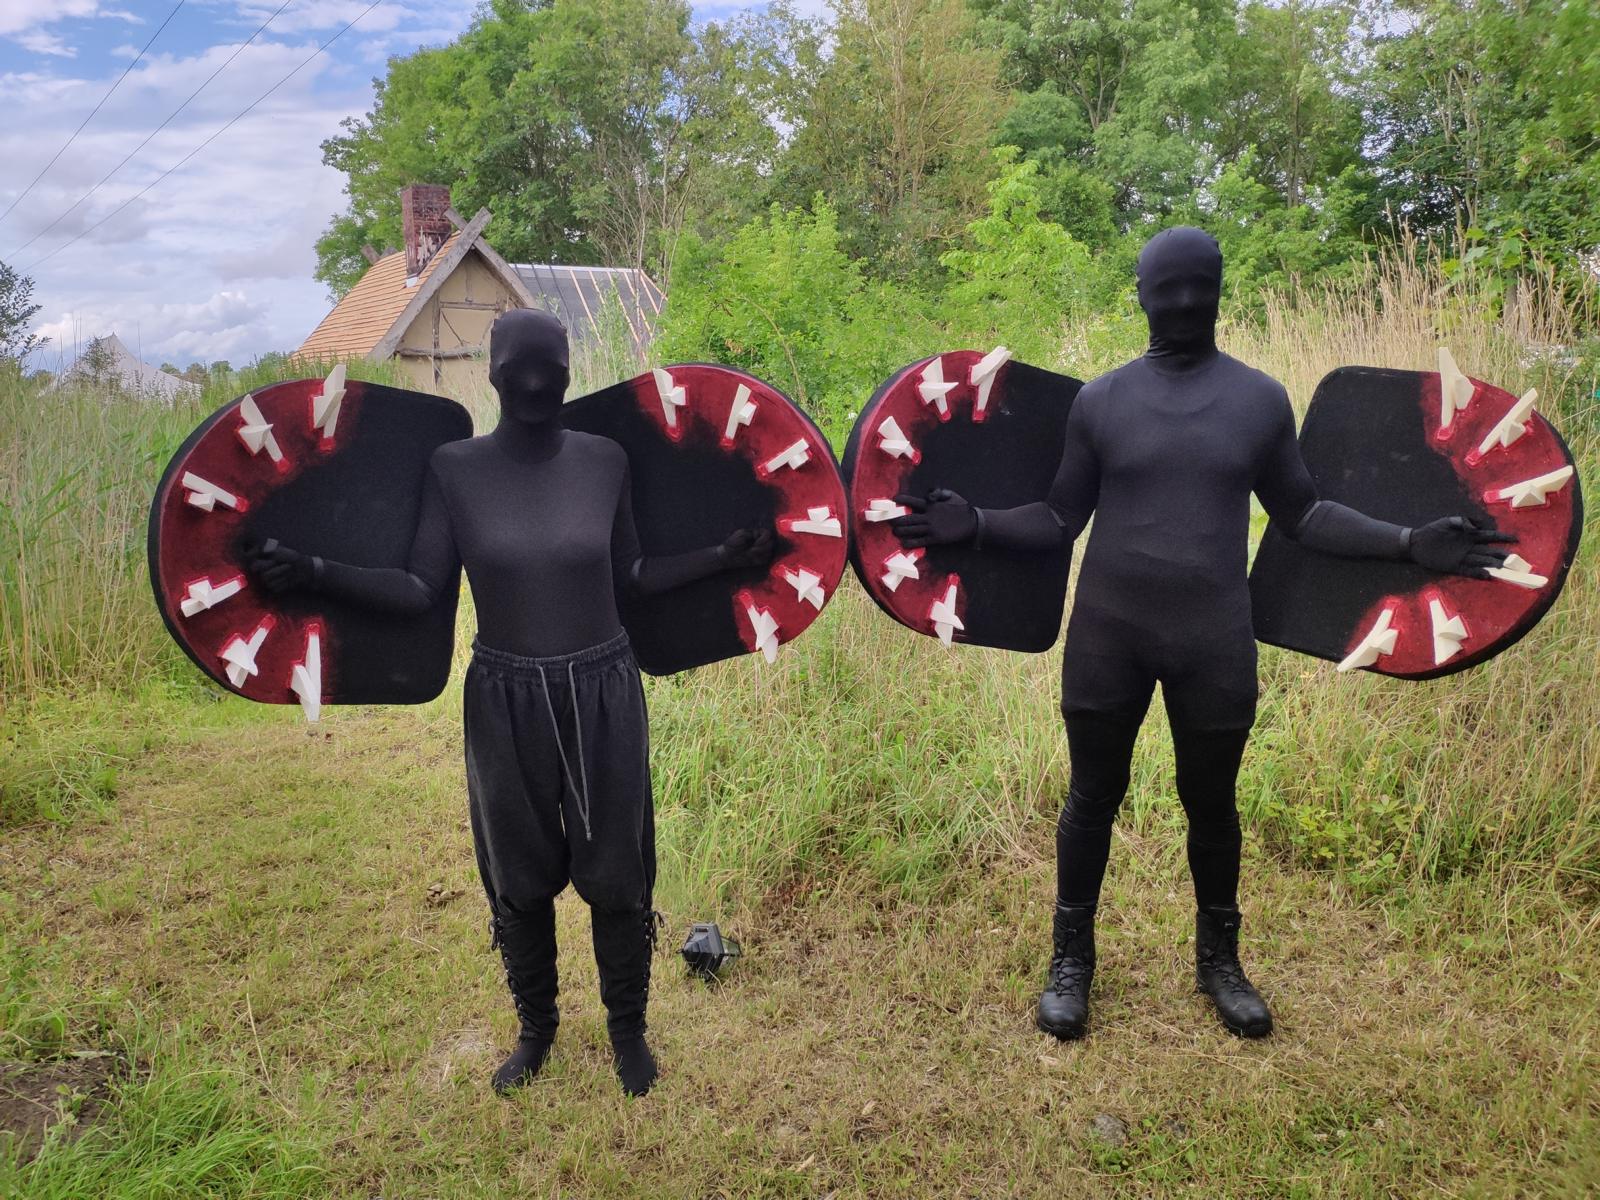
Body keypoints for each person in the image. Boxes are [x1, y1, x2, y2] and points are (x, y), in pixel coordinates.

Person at [890, 227, 1513, 1040]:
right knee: (1091, 797)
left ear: (1219, 290)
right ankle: (1071, 958)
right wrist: (974, 522)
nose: (1184, 302)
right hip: (1109, 634)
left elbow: (1303, 514)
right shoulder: (1101, 401)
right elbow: (1058, 517)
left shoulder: (1259, 401)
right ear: (1142, 295)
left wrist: (1405, 542)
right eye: (1168, 288)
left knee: (1212, 804)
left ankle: (1220, 960)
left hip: (1214, 637)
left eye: (1198, 286)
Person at [249, 308, 771, 1095]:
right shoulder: (455, 468)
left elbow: (632, 576)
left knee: (617, 869)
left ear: (568, 372)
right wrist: (314, 570)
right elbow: (419, 586)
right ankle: (536, 1029)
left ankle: (628, 1030)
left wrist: (720, 558)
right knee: (518, 875)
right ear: (491, 374)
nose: (534, 382)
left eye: (549, 367)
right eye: (519, 367)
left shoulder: (604, 460)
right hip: (504, 696)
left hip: (602, 690)